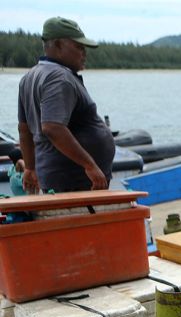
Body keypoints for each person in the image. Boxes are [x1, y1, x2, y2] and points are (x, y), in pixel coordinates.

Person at [18, 17, 114, 194]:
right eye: (78, 47)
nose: (84, 53)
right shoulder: (59, 78)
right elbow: (53, 127)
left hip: (59, 180)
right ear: (58, 45)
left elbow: (24, 129)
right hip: (75, 183)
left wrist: (30, 168)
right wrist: (90, 165)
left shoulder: (29, 77)